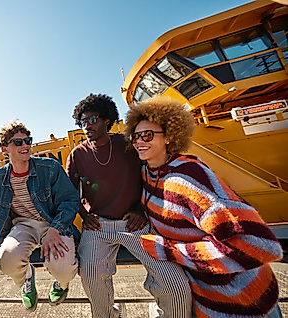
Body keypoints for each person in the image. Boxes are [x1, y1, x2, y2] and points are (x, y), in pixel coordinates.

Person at [124, 95, 284, 317]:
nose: (140, 141)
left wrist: (171, 251)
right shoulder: (147, 173)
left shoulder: (188, 176)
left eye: (148, 135)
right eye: (136, 136)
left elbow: (258, 244)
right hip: (207, 301)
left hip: (245, 302)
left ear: (169, 137)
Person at [66, 93, 192, 318]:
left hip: (134, 223)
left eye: (92, 120)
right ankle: (111, 315)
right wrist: (84, 216)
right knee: (91, 276)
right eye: (82, 122)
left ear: (107, 120)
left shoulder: (130, 145)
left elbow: (153, 177)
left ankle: (162, 312)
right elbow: (69, 193)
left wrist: (140, 210)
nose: (86, 126)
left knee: (175, 283)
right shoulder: (77, 154)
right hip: (98, 227)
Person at [0, 121, 79, 312]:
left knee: (63, 270)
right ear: (5, 148)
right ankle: (27, 277)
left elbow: (70, 200)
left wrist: (56, 228)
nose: (25, 145)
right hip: (22, 226)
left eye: (28, 140)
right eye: (18, 142)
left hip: (53, 223)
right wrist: (2, 242)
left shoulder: (50, 168)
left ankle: (61, 284)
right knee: (6, 261)